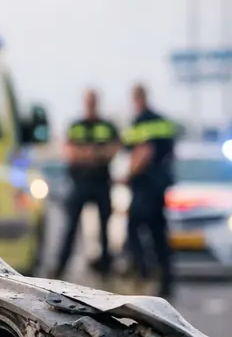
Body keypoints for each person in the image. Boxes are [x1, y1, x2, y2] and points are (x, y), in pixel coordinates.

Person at [51, 89, 121, 280]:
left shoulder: (107, 126)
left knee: (105, 228)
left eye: (93, 100)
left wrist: (87, 153)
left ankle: (106, 267)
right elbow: (69, 152)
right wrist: (97, 153)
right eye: (87, 101)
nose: (90, 104)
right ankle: (60, 266)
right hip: (80, 183)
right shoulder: (76, 126)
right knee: (70, 227)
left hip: (101, 183)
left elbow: (113, 150)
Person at [121, 83, 179, 298]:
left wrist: (127, 175)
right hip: (159, 185)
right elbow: (170, 152)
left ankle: (143, 268)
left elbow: (144, 152)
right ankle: (166, 281)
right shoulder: (162, 121)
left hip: (145, 185)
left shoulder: (142, 121)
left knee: (133, 226)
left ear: (137, 98)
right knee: (158, 234)